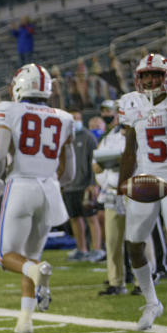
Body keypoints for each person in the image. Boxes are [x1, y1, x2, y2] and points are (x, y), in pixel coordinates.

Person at [0, 64, 76, 333]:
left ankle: (29, 309)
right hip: (50, 190)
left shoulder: (9, 109)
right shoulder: (65, 117)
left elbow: (0, 155)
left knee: (7, 257)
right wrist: (49, 181)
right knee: (32, 258)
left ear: (19, 86)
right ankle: (25, 320)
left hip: (21, 186)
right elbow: (70, 172)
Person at [117, 53, 167, 331]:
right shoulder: (132, 103)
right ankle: (152, 302)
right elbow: (130, 150)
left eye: (155, 74)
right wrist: (121, 187)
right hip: (145, 179)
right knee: (134, 244)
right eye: (145, 75)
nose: (150, 80)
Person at [93, 100, 128, 295]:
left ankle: (145, 281)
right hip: (112, 190)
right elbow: (96, 161)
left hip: (133, 191)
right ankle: (117, 282)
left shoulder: (137, 134)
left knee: (139, 240)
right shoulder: (108, 136)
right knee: (113, 241)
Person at [63, 110, 103, 262]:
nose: (76, 120)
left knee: (91, 218)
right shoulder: (64, 137)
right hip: (69, 186)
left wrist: (93, 183)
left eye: (78, 118)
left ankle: (97, 249)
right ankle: (82, 249)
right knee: (75, 219)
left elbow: (95, 162)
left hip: (85, 185)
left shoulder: (88, 137)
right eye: (73, 118)